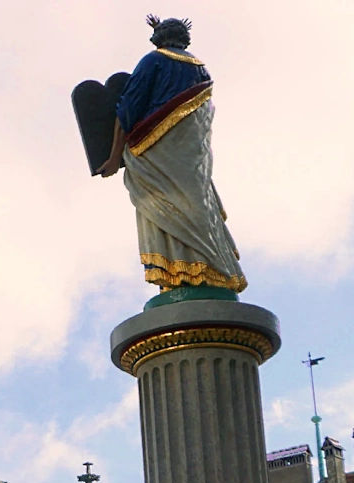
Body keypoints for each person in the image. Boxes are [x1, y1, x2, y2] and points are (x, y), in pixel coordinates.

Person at [97, 16, 246, 294]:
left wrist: (115, 156)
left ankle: (181, 271)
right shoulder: (200, 69)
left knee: (162, 203)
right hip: (191, 158)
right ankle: (209, 267)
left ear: (159, 38)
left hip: (156, 152)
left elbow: (127, 111)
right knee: (196, 203)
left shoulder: (153, 61)